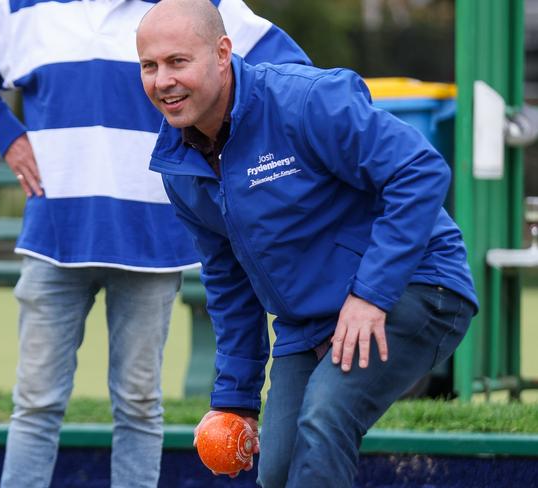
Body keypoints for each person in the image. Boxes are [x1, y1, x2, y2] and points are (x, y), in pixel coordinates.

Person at [0, 1, 311, 486]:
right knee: (34, 404)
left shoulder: (198, 7)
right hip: (54, 235)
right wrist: (7, 135)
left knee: (139, 405)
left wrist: (228, 153)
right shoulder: (18, 9)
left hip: (153, 240)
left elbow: (287, 75)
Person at [136, 0, 479, 486]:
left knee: (323, 418)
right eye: (149, 66)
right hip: (310, 321)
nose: (162, 80)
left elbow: (419, 170)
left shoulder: (307, 100)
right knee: (277, 472)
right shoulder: (179, 165)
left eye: (177, 62)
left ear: (221, 53)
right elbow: (229, 281)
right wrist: (235, 400)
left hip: (415, 284)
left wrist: (370, 294)